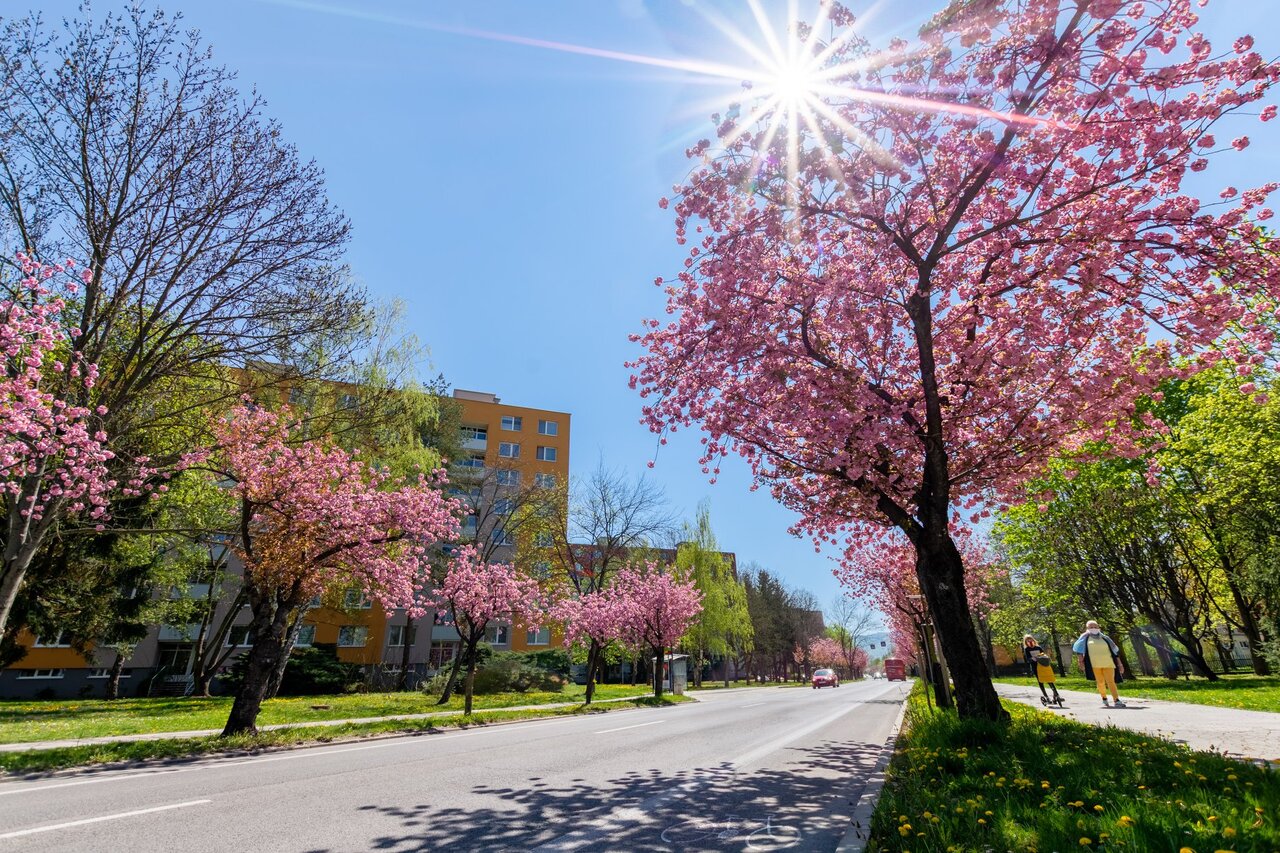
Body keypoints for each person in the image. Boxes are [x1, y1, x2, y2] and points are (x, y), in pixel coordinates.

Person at [1072, 620, 1126, 707]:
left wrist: (1120, 664)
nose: (1093, 628)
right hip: (1094, 664)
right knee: (1100, 682)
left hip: (1108, 663)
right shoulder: (1084, 638)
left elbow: (1115, 652)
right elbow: (1079, 651)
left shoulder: (1106, 638)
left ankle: (1116, 700)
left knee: (1111, 682)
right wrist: (1081, 662)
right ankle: (1104, 698)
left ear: (1098, 628)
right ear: (1087, 628)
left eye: (1095, 627)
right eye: (1091, 627)